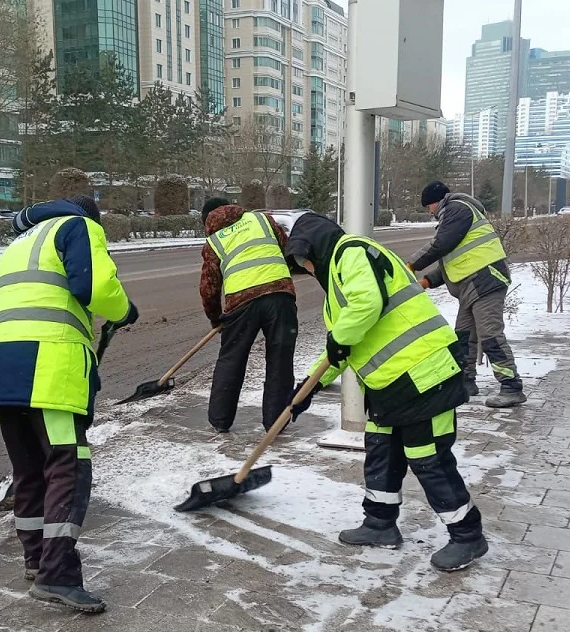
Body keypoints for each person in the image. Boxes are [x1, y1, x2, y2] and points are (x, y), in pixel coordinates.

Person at [284, 213, 488, 572]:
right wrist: (309, 387)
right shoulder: (336, 280)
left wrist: (338, 341)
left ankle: (467, 535)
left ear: (316, 247)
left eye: (306, 260)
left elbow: (365, 307)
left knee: (428, 458)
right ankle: (379, 523)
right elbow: (343, 347)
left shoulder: (353, 252)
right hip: (391, 385)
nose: (308, 269)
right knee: (381, 451)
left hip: (426, 375)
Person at [0, 196, 138, 614]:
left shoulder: (19, 242)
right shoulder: (78, 227)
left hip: (2, 368)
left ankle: (36, 560)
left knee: (29, 471)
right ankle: (58, 575)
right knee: (68, 467)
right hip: (48, 368)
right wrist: (124, 310)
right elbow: (94, 287)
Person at [407, 181, 525, 409]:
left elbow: (440, 245)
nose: (429, 212)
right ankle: (465, 382)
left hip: (485, 280)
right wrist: (426, 281)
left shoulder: (457, 209)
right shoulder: (455, 214)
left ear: (435, 202)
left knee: (490, 335)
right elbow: (454, 260)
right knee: (463, 336)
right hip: (472, 285)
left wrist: (411, 265)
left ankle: (511, 386)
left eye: (428, 207)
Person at [199, 198, 297, 433]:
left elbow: (209, 288)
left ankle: (220, 420)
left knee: (231, 361)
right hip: (280, 296)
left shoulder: (213, 242)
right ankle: (276, 422)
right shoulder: (262, 220)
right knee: (280, 361)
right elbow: (286, 248)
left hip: (241, 304)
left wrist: (216, 318)